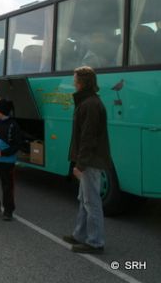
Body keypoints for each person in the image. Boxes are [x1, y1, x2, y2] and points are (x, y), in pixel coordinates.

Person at [63, 66, 112, 254]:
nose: (73, 82)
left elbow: (88, 138)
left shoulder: (90, 104)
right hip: (90, 159)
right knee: (84, 199)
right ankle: (80, 235)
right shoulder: (89, 102)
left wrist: (80, 164)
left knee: (91, 202)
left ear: (81, 82)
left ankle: (95, 242)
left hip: (90, 161)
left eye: (75, 79)